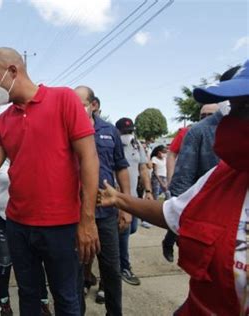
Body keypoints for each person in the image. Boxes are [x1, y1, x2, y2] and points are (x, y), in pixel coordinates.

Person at [0, 47, 100, 315]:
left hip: (61, 225)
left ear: (13, 71)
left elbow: (89, 159)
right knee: (28, 295)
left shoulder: (63, 99)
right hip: (17, 225)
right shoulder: (4, 121)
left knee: (66, 298)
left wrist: (87, 219)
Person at [98, 59, 249, 315]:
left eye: (243, 108)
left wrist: (145, 189)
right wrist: (120, 199)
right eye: (230, 109)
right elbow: (175, 212)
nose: (227, 122)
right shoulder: (221, 178)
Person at [75, 86, 130, 315]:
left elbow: (121, 168)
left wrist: (125, 206)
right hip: (75, 213)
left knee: (111, 269)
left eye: (80, 104)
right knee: (75, 271)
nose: (75, 109)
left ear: (93, 104)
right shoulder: (65, 129)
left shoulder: (110, 131)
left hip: (106, 213)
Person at [0, 159, 51, 316]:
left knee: (36, 262)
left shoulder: (29, 153)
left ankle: (43, 301)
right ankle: (4, 301)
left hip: (27, 219)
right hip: (0, 218)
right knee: (4, 261)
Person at [161, 103, 219, 262]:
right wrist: (171, 177)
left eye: (211, 115)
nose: (207, 119)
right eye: (203, 115)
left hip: (215, 188)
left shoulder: (226, 132)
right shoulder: (191, 132)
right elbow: (172, 154)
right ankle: (170, 242)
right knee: (180, 215)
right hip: (191, 185)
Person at [115, 117, 154, 286]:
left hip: (134, 198)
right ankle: (123, 267)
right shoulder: (113, 145)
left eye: (130, 131)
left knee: (132, 229)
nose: (128, 135)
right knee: (123, 233)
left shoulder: (137, 146)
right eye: (124, 132)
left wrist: (148, 191)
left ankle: (112, 255)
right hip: (118, 199)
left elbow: (143, 169)